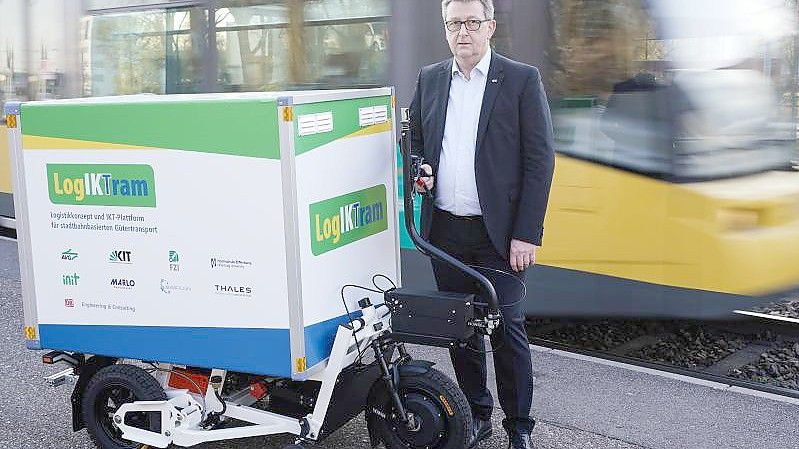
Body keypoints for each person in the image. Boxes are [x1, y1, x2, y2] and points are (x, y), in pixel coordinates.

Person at [408, 1, 555, 448]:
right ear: (445, 29)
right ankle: (477, 414)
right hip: (447, 232)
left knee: (509, 334)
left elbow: (539, 160)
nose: (463, 32)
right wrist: (418, 166)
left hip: (500, 236)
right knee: (462, 330)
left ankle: (520, 427)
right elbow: (415, 137)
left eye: (472, 23)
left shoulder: (520, 79)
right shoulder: (431, 78)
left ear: (490, 27)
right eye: (454, 24)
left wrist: (527, 233)